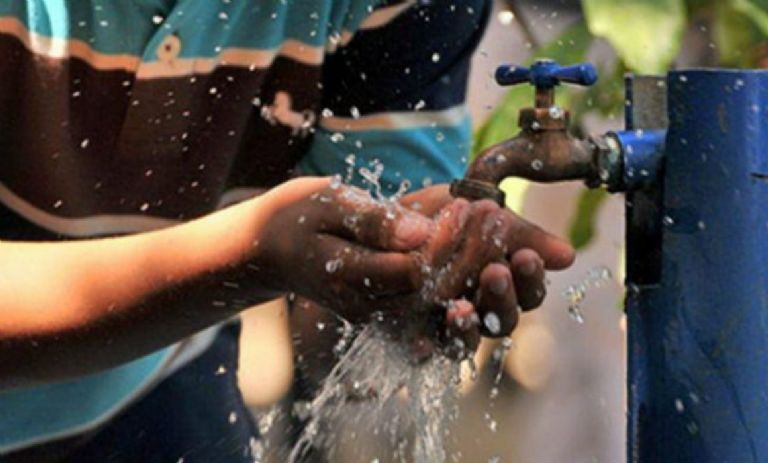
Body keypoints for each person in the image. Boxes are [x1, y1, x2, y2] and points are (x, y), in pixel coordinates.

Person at [0, 1, 574, 462]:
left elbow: (330, 343)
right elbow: (260, 254)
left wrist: (403, 277)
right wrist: (248, 256)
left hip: (157, 375)